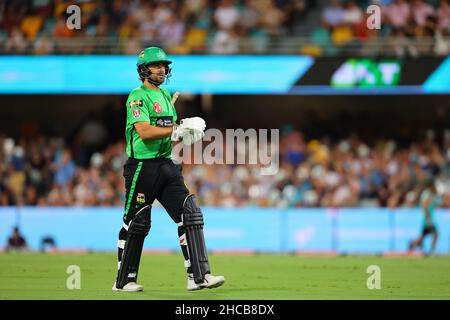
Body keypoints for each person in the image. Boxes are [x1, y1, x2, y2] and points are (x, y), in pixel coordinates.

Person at [112, 47, 225, 292]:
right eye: (156, 65)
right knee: (137, 222)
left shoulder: (165, 95)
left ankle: (198, 276)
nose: (162, 69)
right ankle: (124, 281)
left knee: (190, 213)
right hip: (141, 166)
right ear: (144, 69)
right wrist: (176, 130)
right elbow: (144, 131)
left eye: (164, 65)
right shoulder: (137, 97)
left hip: (166, 164)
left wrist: (185, 131)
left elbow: (168, 130)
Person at [409, 181, 442, 256]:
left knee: (423, 237)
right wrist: (427, 213)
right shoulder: (427, 194)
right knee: (435, 234)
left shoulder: (430, 194)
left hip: (428, 218)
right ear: (430, 186)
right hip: (427, 219)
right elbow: (425, 205)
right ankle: (432, 251)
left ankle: (412, 244)